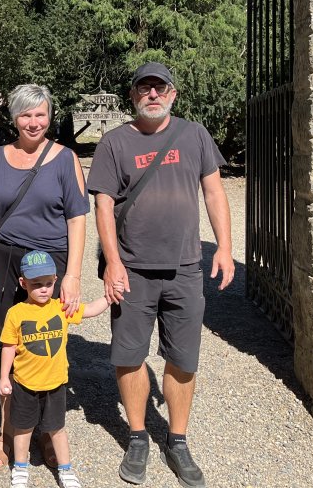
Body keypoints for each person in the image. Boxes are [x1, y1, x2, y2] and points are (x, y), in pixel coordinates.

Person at [86, 62, 235, 488]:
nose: (152, 94)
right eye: (144, 88)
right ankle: (137, 436)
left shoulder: (194, 134)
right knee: (129, 356)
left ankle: (177, 439)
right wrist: (113, 262)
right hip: (132, 269)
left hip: (185, 267)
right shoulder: (114, 143)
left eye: (160, 88)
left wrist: (225, 248)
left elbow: (214, 191)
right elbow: (103, 205)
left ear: (173, 94)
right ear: (133, 95)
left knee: (183, 358)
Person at [0, 83, 89, 471]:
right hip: (4, 259)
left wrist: (73, 275)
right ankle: (7, 429)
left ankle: (48, 430)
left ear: (49, 116)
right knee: (8, 342)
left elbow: (77, 218)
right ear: (14, 118)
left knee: (48, 342)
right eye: (25, 114)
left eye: (40, 114)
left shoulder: (66, 159)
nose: (34, 122)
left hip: (50, 262)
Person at [0, 250, 109, 488]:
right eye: (36, 284)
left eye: (48, 283)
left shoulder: (61, 307)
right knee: (23, 428)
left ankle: (65, 469)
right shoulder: (16, 313)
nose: (43, 289)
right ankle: (20, 467)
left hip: (56, 383)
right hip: (25, 383)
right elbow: (8, 346)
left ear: (56, 280)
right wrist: (4, 377)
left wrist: (109, 297)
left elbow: (90, 310)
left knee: (57, 429)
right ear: (23, 283)